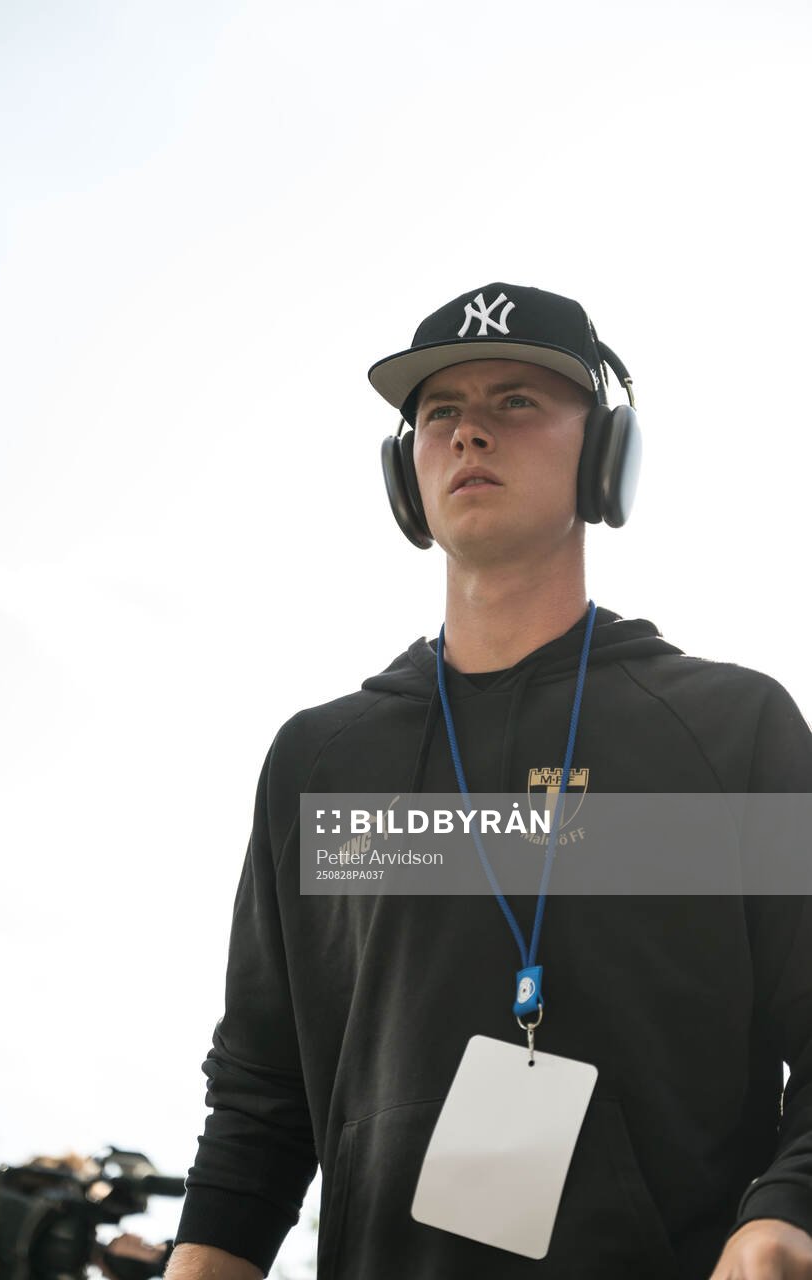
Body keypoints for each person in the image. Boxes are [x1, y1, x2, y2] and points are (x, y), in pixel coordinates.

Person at [166, 284, 812, 1280]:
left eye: (515, 400)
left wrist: (786, 1209)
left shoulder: (731, 732)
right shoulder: (321, 761)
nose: (470, 432)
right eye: (438, 413)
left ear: (606, 454)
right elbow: (261, 1089)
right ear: (404, 468)